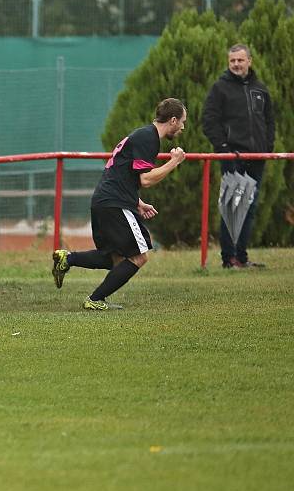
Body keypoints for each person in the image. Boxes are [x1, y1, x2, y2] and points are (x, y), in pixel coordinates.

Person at [52, 98, 187, 310]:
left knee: (114, 258)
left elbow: (125, 174)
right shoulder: (148, 138)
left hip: (106, 200)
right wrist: (174, 162)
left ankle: (67, 259)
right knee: (139, 256)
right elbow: (145, 179)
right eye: (182, 122)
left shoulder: (144, 135)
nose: (182, 127)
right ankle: (95, 300)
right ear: (172, 120)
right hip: (113, 203)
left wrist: (137, 202)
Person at [202, 44, 275, 269]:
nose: (236, 64)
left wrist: (267, 148)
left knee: (249, 208)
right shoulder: (219, 88)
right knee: (232, 207)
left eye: (240, 60)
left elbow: (269, 122)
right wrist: (223, 148)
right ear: (228, 62)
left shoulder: (260, 89)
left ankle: (241, 258)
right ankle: (229, 259)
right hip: (232, 158)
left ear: (249, 61)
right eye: (232, 60)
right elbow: (209, 120)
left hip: (257, 159)